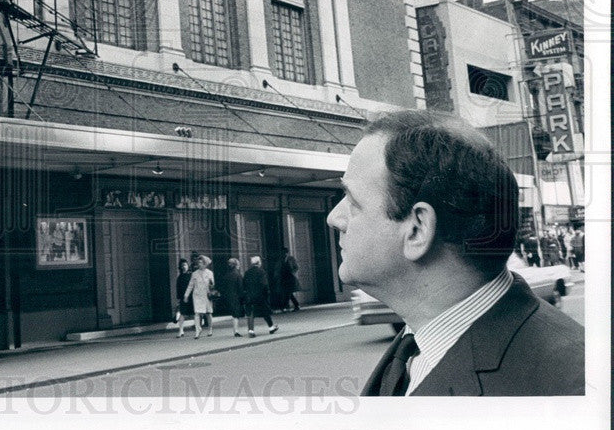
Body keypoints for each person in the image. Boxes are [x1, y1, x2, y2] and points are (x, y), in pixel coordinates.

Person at [328, 110, 585, 396]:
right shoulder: (418, 339)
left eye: (352, 201)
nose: (334, 218)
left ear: (417, 229)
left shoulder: (569, 386)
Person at [242, 256, 276, 337]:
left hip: (249, 296)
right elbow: (264, 284)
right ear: (258, 263)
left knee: (250, 314)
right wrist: (266, 293)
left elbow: (244, 284)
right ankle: (271, 327)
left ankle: (251, 331)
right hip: (260, 296)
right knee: (265, 311)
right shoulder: (261, 272)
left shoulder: (247, 272)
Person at [183, 255, 214, 339]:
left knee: (208, 313)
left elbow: (212, 285)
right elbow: (190, 285)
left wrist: (211, 285)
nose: (199, 264)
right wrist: (186, 295)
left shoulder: (210, 273)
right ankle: (198, 330)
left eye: (201, 263)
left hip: (206, 295)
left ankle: (210, 328)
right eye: (198, 263)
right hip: (197, 296)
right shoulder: (194, 274)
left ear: (205, 264)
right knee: (197, 313)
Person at [218, 258, 244, 337]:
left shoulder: (226, 275)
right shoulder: (238, 275)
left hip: (228, 296)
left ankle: (236, 330)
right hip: (236, 297)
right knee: (236, 314)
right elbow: (240, 287)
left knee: (234, 314)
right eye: (238, 264)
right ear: (236, 265)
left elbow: (222, 287)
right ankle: (236, 331)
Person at [173, 259, 194, 338]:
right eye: (182, 266)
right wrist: (178, 300)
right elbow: (178, 289)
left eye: (185, 265)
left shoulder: (191, 275)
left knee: (196, 313)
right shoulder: (180, 277)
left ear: (188, 266)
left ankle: (198, 328)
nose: (184, 267)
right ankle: (181, 330)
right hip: (183, 298)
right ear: (180, 267)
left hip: (192, 297)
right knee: (182, 314)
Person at [277, 247, 301, 312]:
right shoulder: (280, 259)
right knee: (287, 292)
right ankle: (295, 305)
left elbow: (296, 267)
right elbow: (278, 268)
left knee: (288, 292)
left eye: (285, 253)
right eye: (282, 253)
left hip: (290, 277)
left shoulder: (291, 259)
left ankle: (286, 306)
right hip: (283, 277)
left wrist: (292, 272)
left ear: (287, 253)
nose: (284, 254)